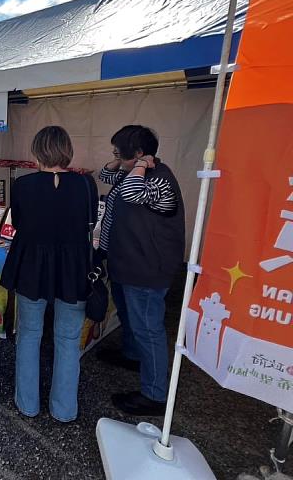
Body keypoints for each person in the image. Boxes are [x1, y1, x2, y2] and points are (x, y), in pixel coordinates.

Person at [0, 126, 98, 422]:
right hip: (74, 269)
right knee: (68, 340)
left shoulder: (24, 185)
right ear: (67, 150)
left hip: (32, 267)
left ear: (37, 150)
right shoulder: (86, 185)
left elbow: (19, 222)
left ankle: (28, 404)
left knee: (29, 335)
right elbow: (90, 221)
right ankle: (64, 410)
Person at [96, 125, 184, 416]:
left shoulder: (159, 178)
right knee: (128, 315)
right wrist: (121, 161)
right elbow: (105, 175)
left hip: (146, 268)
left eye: (119, 153)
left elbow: (132, 194)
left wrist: (143, 163)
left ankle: (155, 395)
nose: (116, 159)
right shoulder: (132, 171)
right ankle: (133, 355)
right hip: (126, 261)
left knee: (148, 328)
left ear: (138, 154)